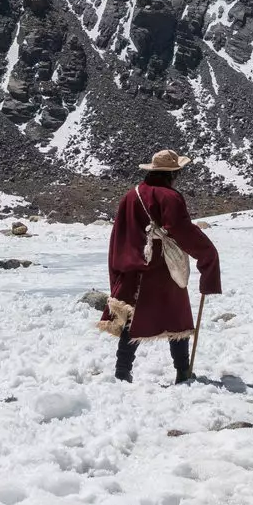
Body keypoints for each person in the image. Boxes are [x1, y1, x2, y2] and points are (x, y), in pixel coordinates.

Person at [100, 149, 221, 384]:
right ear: (172, 174)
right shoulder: (170, 197)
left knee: (131, 318)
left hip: (135, 267)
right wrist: (207, 254)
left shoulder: (130, 196)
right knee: (177, 317)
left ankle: (122, 371)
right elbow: (182, 230)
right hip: (163, 266)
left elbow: (120, 233)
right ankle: (182, 371)